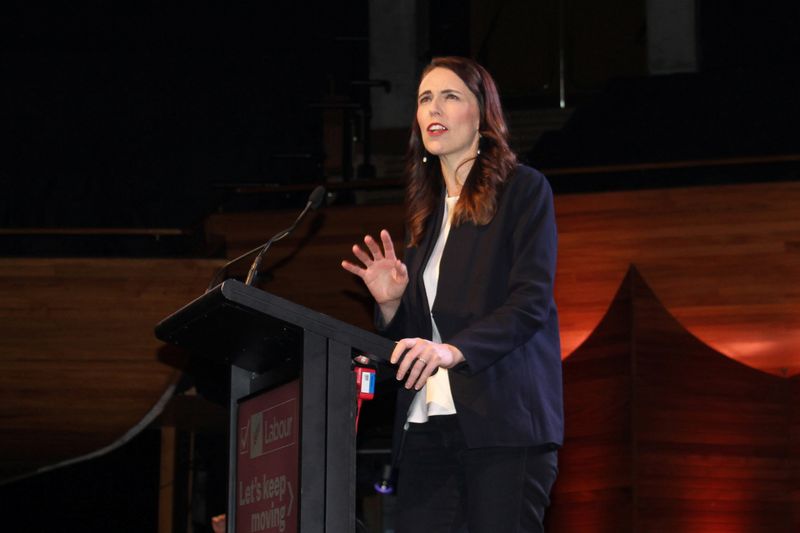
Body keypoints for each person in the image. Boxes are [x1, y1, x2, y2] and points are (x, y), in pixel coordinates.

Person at [341, 56, 563, 533]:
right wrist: (391, 304)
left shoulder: (524, 191)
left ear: (482, 115)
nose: (433, 107)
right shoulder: (425, 219)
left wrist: (451, 350)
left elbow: (530, 304)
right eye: (424, 99)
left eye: (450, 96)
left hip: (504, 424)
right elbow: (418, 339)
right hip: (426, 426)